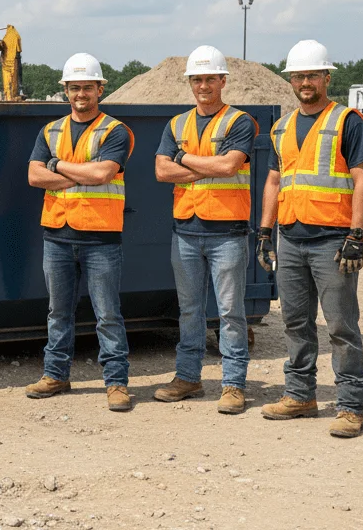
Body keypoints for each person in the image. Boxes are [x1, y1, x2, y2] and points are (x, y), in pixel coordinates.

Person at [257, 39, 363, 438]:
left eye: (312, 75)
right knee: (295, 322)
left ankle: (350, 405)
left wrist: (356, 235)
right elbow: (275, 180)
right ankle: (300, 395)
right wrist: (265, 231)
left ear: (326, 77)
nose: (305, 82)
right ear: (291, 79)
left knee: (341, 326)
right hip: (290, 237)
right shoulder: (283, 126)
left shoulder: (347, 121)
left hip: (332, 241)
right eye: (298, 76)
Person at [23, 53, 136, 412]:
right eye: (74, 88)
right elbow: (33, 176)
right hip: (57, 234)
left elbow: (103, 174)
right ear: (66, 91)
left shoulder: (115, 131)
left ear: (101, 89)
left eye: (87, 87)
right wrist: (78, 171)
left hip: (100, 237)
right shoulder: (50, 130)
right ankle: (55, 374)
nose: (81, 93)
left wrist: (57, 166)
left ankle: (116, 383)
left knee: (107, 314)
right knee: (58, 312)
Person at [153, 46, 257, 414]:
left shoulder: (239, 122)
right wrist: (202, 166)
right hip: (186, 231)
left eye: (209, 78)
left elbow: (229, 166)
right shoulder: (176, 124)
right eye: (196, 79)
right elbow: (161, 172)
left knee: (230, 312)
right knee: (189, 311)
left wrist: (182, 158)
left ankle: (232, 385)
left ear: (222, 81)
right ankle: (188, 377)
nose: (202, 85)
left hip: (226, 231)